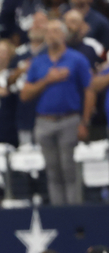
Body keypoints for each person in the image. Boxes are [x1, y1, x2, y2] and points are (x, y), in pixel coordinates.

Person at [23, 19, 91, 206]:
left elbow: (89, 90)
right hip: (44, 121)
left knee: (69, 169)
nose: (51, 35)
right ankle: (58, 211)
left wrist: (84, 122)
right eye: (48, 32)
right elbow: (25, 94)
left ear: (64, 35)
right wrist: (48, 80)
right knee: (52, 170)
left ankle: (74, 211)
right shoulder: (39, 62)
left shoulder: (77, 59)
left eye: (55, 31)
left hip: (69, 119)